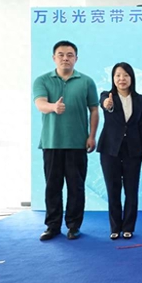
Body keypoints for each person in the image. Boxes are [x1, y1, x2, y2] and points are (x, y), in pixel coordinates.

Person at [33, 40, 99, 241]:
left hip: (78, 144)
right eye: (61, 54)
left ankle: (73, 226)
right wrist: (53, 107)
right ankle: (52, 226)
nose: (65, 58)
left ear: (76, 58)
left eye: (70, 55)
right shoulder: (42, 80)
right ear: (54, 58)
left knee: (76, 187)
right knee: (52, 187)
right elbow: (40, 103)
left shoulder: (86, 82)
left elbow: (94, 110)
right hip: (51, 143)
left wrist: (92, 136)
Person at [97, 62, 142, 240]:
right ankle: (115, 227)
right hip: (110, 149)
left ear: (131, 78)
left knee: (131, 190)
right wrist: (107, 104)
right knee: (113, 189)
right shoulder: (107, 95)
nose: (122, 79)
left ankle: (128, 227)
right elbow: (105, 104)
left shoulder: (140, 99)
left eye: (126, 75)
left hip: (133, 149)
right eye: (118, 75)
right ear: (113, 78)